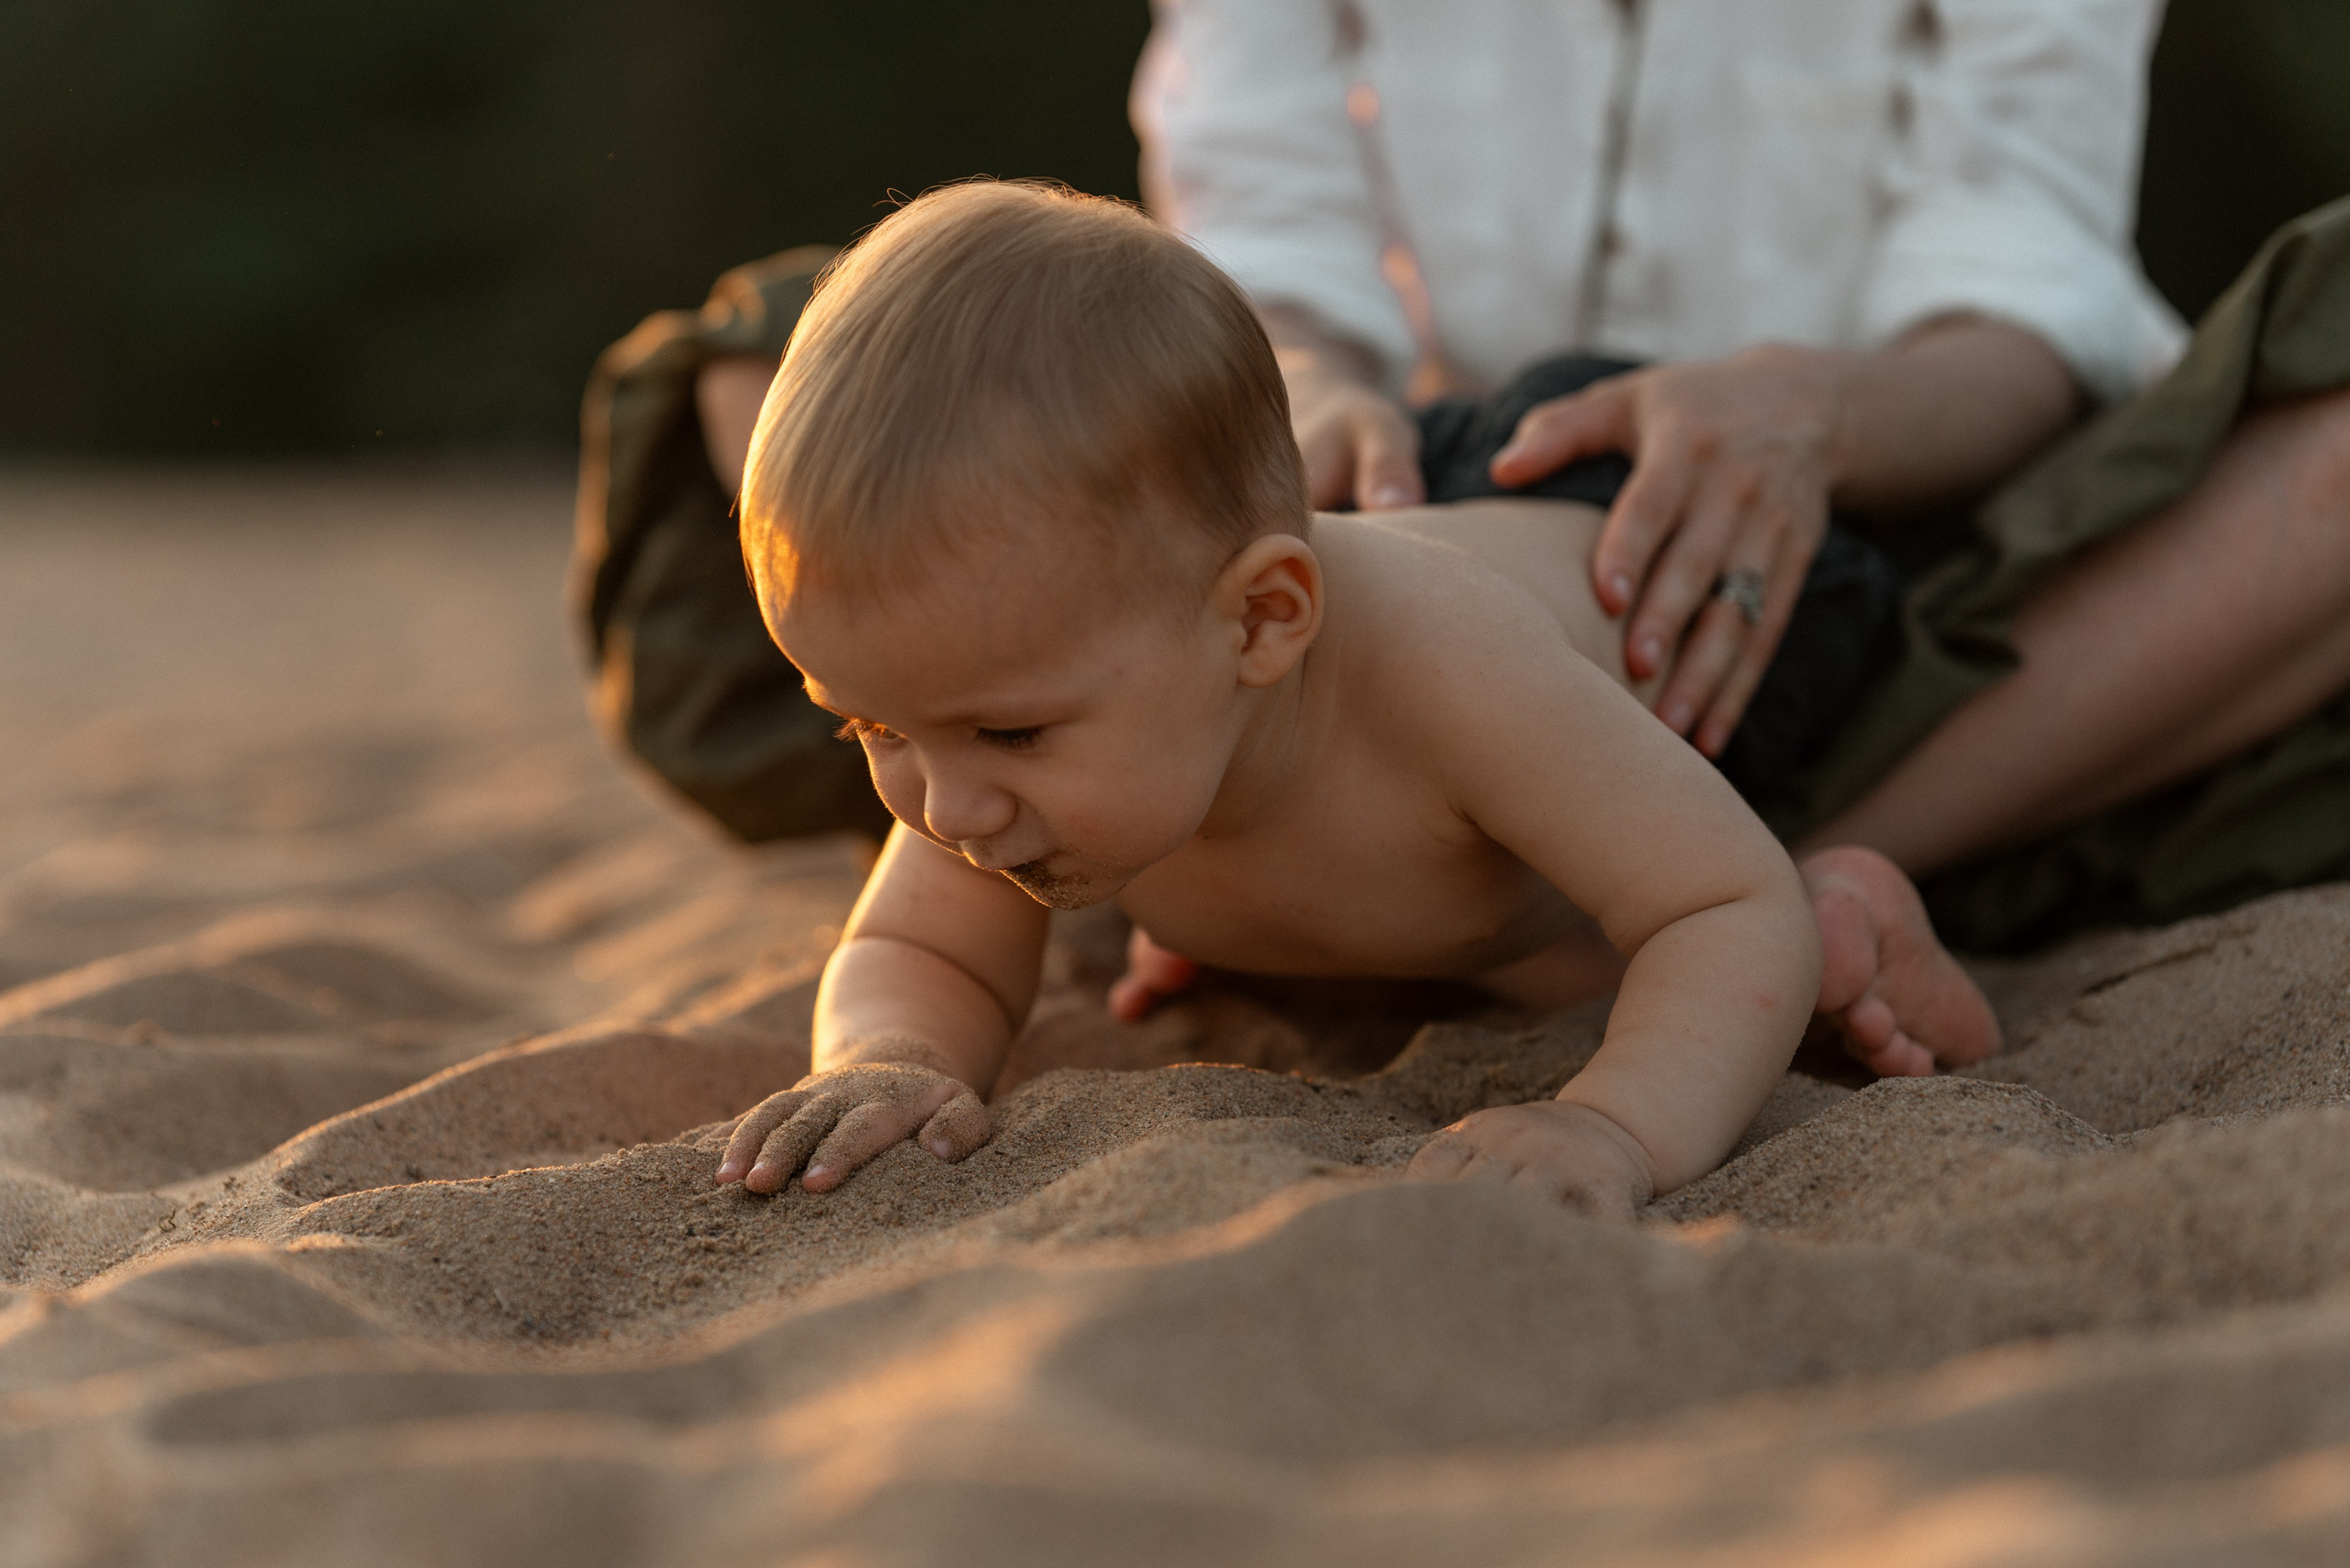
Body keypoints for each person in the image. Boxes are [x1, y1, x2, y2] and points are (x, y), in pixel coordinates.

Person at [705, 181, 2000, 1216]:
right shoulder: (1010, 697)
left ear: (1262, 622)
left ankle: (1835, 900)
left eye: (1011, 733)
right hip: (1397, 689)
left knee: (1723, 861)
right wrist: (893, 1058)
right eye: (871, 727)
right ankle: (1798, 933)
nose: (946, 806)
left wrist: (1612, 1126)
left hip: (1666, 582)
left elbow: (1722, 903)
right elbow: (920, 953)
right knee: (1499, 903)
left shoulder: (1454, 677)